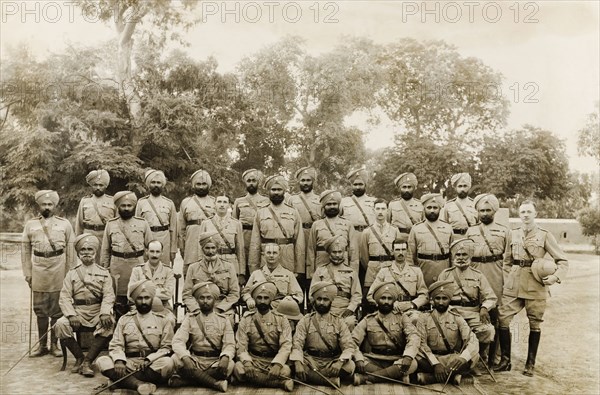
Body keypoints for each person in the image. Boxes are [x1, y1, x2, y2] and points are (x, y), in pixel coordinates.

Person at [495, 200, 568, 377]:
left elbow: (562, 261)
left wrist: (555, 277)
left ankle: (530, 363)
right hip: (514, 284)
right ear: (519, 215)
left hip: (536, 284)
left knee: (534, 323)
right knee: (502, 319)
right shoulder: (512, 234)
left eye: (529, 212)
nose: (525, 215)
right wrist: (508, 279)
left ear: (535, 214)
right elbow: (506, 261)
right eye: (522, 212)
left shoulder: (544, 235)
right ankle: (505, 361)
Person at [96, 280, 175, 394]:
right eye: (140, 298)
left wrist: (149, 359)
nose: (143, 301)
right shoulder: (124, 319)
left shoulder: (163, 320)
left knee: (168, 363)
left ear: (152, 299)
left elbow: (166, 347)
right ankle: (139, 385)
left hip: (151, 364)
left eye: (147, 298)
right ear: (134, 300)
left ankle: (121, 381)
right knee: (102, 361)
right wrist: (119, 360)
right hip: (129, 363)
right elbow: (116, 344)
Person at [22, 190, 75, 357]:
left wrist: (70, 272)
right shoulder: (30, 224)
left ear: (55, 206)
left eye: (50, 204)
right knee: (40, 309)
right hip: (38, 269)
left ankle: (55, 345)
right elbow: (25, 250)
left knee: (57, 309)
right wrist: (28, 272)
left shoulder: (65, 224)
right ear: (39, 205)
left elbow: (71, 250)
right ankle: (42, 345)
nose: (47, 207)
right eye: (44, 204)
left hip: (58, 267)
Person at [55, 234, 115, 376]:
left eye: (90, 249)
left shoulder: (104, 273)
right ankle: (79, 357)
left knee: (110, 324)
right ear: (78, 253)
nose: (86, 252)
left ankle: (88, 361)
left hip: (97, 311)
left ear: (95, 252)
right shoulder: (72, 273)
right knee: (60, 324)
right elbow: (64, 296)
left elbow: (108, 295)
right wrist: (71, 315)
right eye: (83, 250)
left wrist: (105, 312)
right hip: (78, 312)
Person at [437, 238, 497, 374]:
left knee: (488, 331)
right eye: (458, 255)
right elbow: (436, 297)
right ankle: (454, 361)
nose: (461, 258)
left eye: (464, 255)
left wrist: (484, 308)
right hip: (451, 312)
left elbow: (491, 297)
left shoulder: (478, 275)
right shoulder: (446, 274)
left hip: (472, 313)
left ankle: (473, 360)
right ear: (454, 256)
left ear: (470, 256)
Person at [465, 193, 511, 367]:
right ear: (477, 212)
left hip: (495, 272)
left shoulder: (504, 230)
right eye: (481, 210)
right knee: (475, 313)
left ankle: (494, 357)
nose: (484, 214)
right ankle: (478, 356)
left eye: (488, 210)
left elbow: (509, 258)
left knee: (494, 316)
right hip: (476, 272)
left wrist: (505, 277)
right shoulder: (471, 231)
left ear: (494, 211)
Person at [169, 282, 233, 392]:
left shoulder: (224, 320)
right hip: (195, 360)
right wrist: (185, 357)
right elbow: (178, 341)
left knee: (230, 365)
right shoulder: (190, 318)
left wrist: (225, 356)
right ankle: (214, 383)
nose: (205, 301)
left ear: (215, 300)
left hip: (214, 360)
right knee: (175, 359)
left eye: (209, 298)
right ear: (197, 301)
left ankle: (187, 381)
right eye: (201, 298)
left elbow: (230, 343)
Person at [352, 282, 420, 386]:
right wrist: (358, 358)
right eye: (383, 298)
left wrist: (408, 356)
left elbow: (413, 336)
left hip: (396, 359)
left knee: (413, 364)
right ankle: (395, 376)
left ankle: (368, 378)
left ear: (393, 301)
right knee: (355, 363)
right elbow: (352, 341)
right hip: (374, 359)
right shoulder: (368, 319)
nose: (386, 302)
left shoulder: (402, 317)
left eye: (389, 298)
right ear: (377, 301)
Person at [290, 282, 356, 387]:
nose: (321, 302)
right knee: (293, 364)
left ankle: (311, 378)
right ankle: (328, 381)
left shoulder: (339, 321)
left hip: (331, 361)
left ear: (331, 302)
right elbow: (297, 343)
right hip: (311, 361)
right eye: (319, 299)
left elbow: (348, 345)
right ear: (314, 301)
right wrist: (298, 362)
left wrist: (340, 362)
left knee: (350, 366)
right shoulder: (305, 320)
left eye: (325, 300)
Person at [415, 280, 479, 386]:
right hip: (430, 358)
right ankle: (452, 376)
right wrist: (435, 364)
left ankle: (430, 378)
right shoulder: (423, 318)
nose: (441, 302)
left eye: (444, 298)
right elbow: (421, 343)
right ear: (432, 300)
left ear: (449, 299)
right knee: (416, 358)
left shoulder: (457, 318)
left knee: (473, 356)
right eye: (437, 298)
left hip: (451, 359)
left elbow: (472, 339)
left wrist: (462, 358)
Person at [100, 191, 153, 317]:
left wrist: (148, 268)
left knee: (137, 297)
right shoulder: (111, 224)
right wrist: (104, 269)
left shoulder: (142, 223)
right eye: (123, 206)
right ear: (118, 207)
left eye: (129, 206)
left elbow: (150, 246)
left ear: (134, 207)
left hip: (137, 264)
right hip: (117, 266)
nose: (126, 209)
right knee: (118, 301)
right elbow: (105, 249)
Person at [234, 281, 294, 391]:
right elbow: (241, 345)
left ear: (271, 300)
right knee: (239, 368)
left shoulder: (281, 319)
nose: (262, 301)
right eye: (259, 298)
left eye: (266, 298)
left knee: (285, 370)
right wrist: (247, 362)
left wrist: (278, 364)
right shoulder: (246, 319)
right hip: (254, 360)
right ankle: (280, 383)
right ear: (254, 299)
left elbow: (286, 345)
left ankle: (255, 380)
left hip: (272, 360)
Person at [249, 175, 305, 275]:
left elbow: (299, 242)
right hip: (266, 257)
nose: (276, 192)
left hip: (287, 258)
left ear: (284, 191)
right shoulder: (261, 212)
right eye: (273, 189)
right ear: (268, 192)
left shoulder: (293, 212)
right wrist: (254, 268)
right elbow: (255, 242)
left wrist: (299, 269)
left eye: (279, 189)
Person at [182, 232, 240, 325]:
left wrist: (220, 308)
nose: (210, 251)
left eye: (213, 248)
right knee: (193, 324)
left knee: (227, 322)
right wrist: (196, 308)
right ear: (202, 249)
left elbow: (234, 293)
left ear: (217, 248)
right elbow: (186, 294)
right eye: (207, 248)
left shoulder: (228, 267)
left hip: (221, 307)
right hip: (200, 306)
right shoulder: (193, 267)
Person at [367, 240, 428, 321]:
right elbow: (370, 295)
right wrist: (388, 304)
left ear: (407, 251)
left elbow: (424, 295)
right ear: (392, 251)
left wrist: (412, 305)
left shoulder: (416, 271)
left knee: (416, 319)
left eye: (403, 249)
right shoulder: (384, 271)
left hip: (410, 311)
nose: (400, 253)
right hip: (388, 310)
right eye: (397, 250)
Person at [310, 235, 362, 330]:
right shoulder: (320, 271)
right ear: (329, 253)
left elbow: (357, 295)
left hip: (345, 309)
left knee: (350, 322)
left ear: (344, 252)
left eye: (340, 252)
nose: (337, 255)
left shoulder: (351, 272)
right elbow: (312, 293)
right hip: (325, 308)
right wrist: (321, 308)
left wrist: (350, 309)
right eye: (334, 252)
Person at [359, 199, 401, 312]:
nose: (380, 212)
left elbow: (398, 252)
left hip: (389, 268)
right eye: (377, 209)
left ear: (387, 211)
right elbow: (363, 257)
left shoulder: (394, 230)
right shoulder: (367, 232)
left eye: (383, 209)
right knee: (369, 302)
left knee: (389, 298)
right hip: (372, 270)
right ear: (373, 210)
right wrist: (372, 265)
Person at [306, 190, 358, 278]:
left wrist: (353, 272)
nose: (332, 207)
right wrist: (311, 273)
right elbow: (311, 250)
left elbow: (353, 250)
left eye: (334, 204)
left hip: (343, 267)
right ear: (324, 206)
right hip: (322, 265)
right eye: (329, 204)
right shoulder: (316, 225)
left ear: (338, 205)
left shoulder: (348, 224)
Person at [406, 193, 454, 287]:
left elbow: (453, 255)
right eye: (429, 207)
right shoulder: (416, 228)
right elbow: (410, 255)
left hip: (443, 269)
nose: (432, 210)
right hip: (423, 270)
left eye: (435, 208)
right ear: (424, 209)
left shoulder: (448, 228)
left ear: (440, 209)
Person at [232, 169, 270, 282]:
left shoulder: (266, 200)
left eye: (254, 180)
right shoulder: (239, 201)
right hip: (244, 237)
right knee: (243, 267)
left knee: (258, 266)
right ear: (245, 183)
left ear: (258, 182)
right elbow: (234, 222)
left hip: (260, 237)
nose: (251, 183)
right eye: (249, 181)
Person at [340, 168, 376, 284]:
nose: (358, 187)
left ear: (365, 185)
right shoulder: (344, 202)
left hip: (368, 239)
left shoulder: (373, 202)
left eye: (360, 184)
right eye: (355, 184)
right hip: (351, 238)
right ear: (351, 186)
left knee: (368, 269)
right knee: (352, 268)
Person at [288, 167, 322, 291]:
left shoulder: (320, 199)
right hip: (298, 237)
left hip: (314, 237)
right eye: (303, 180)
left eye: (308, 180)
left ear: (313, 182)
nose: (305, 183)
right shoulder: (292, 200)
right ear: (299, 182)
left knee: (314, 270)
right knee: (299, 271)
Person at [199, 195, 245, 284]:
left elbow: (240, 249)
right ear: (214, 205)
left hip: (230, 261)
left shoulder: (236, 224)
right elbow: (200, 248)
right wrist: (201, 267)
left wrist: (241, 272)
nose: (222, 205)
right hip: (211, 261)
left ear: (229, 206)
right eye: (219, 202)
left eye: (225, 202)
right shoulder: (206, 223)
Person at [129, 240, 176, 329]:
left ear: (162, 253)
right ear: (146, 252)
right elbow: (130, 293)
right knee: (130, 323)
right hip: (140, 307)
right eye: (152, 251)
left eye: (157, 252)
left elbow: (168, 294)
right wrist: (158, 292)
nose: (154, 255)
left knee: (170, 321)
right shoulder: (137, 270)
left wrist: (144, 292)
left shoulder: (168, 271)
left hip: (163, 307)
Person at [136, 169, 178, 267]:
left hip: (164, 238)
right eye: (153, 182)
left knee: (164, 269)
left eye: (158, 183)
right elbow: (137, 227)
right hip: (147, 239)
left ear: (162, 185)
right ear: (148, 185)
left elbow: (173, 229)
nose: (156, 185)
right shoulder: (141, 203)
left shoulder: (169, 203)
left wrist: (173, 249)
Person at [243, 243, 303, 310]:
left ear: (279, 255)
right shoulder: (256, 274)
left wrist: (290, 299)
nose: (271, 255)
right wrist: (249, 299)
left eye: (274, 253)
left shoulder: (288, 274)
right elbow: (245, 292)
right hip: (260, 310)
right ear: (264, 255)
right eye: (268, 253)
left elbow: (299, 295)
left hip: (280, 311)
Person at [179, 169, 216, 276]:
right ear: (193, 186)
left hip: (210, 244)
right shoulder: (186, 202)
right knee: (190, 273)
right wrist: (182, 247)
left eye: (204, 184)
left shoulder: (214, 202)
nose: (201, 187)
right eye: (198, 184)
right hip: (191, 243)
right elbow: (181, 229)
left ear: (208, 185)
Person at [75, 170, 116, 263]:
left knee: (104, 262)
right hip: (88, 235)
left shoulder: (112, 201)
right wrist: (78, 242)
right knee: (87, 263)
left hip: (104, 236)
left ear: (105, 186)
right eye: (95, 185)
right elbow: (79, 224)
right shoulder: (85, 201)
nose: (98, 188)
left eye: (101, 185)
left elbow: (116, 224)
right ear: (92, 186)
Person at [387, 172, 423, 243]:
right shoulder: (392, 204)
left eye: (409, 187)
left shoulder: (421, 205)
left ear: (414, 188)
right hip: (398, 239)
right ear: (399, 189)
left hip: (416, 238)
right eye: (404, 187)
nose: (406, 190)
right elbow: (387, 224)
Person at [440, 173, 478, 238]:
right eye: (460, 186)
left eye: (465, 186)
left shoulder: (475, 204)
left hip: (471, 238)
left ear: (469, 187)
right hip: (454, 239)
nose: (462, 189)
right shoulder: (448, 205)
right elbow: (444, 226)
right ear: (455, 188)